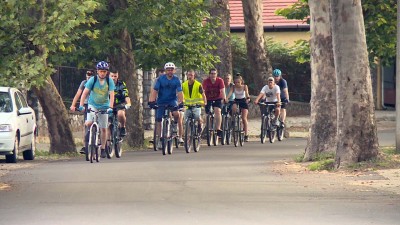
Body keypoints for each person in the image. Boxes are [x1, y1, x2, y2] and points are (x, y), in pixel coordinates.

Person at [78, 61, 115, 158]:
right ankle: (88, 136)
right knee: (89, 122)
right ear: (97, 71)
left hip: (104, 106)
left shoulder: (109, 81)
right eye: (101, 71)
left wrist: (110, 107)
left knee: (103, 128)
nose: (102, 73)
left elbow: (112, 95)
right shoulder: (93, 80)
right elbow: (85, 93)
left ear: (107, 72)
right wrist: (81, 105)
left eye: (104, 71)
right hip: (92, 104)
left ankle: (102, 148)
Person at [148, 62, 184, 150]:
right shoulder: (160, 79)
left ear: (174, 70)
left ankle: (174, 125)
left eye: (171, 70)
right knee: (159, 120)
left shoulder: (176, 80)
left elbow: (179, 92)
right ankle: (160, 139)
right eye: (168, 70)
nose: (170, 71)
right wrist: (152, 101)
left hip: (172, 100)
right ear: (165, 71)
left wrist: (181, 102)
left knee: (176, 113)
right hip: (161, 101)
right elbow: (155, 90)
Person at [70, 70, 93, 154]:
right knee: (86, 124)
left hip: (97, 104)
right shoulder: (84, 83)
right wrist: (73, 105)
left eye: (90, 77)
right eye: (87, 77)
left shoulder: (97, 82)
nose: (88, 79)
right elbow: (78, 94)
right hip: (87, 105)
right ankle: (85, 145)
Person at [226, 75, 251, 142]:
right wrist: (227, 98)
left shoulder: (244, 86)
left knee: (244, 118)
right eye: (236, 82)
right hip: (236, 100)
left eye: (238, 82)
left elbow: (247, 94)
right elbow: (230, 93)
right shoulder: (233, 87)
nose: (237, 84)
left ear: (241, 82)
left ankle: (246, 135)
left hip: (243, 101)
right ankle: (234, 119)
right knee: (233, 107)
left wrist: (248, 98)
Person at [181, 69, 207, 134]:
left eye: (191, 75)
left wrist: (205, 102)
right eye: (189, 75)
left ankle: (200, 125)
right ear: (187, 76)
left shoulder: (198, 85)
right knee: (185, 120)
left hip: (196, 105)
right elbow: (180, 94)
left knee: (197, 116)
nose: (190, 76)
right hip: (187, 105)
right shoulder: (183, 85)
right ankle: (187, 135)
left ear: (194, 76)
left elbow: (203, 94)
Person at [202, 68, 225, 137]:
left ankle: (218, 128)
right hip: (208, 99)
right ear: (209, 74)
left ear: (216, 74)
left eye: (214, 73)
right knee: (207, 114)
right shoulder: (206, 81)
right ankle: (208, 127)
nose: (213, 75)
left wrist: (224, 98)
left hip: (217, 98)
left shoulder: (220, 80)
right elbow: (202, 91)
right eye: (211, 74)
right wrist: (203, 100)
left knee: (217, 111)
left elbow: (222, 91)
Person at [110, 71, 131, 137]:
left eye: (115, 76)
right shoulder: (105, 83)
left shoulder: (121, 84)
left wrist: (128, 103)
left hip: (119, 103)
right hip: (108, 104)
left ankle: (122, 127)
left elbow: (126, 95)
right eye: (112, 76)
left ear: (117, 76)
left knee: (120, 114)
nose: (113, 78)